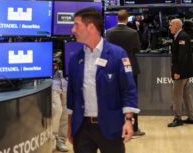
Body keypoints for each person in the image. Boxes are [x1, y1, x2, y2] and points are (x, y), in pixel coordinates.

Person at [67, 8, 139, 153]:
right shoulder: (75, 58)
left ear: (91, 27)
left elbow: (128, 89)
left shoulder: (118, 54)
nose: (73, 29)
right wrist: (70, 127)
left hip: (111, 126)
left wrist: (128, 120)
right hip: (82, 129)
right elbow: (71, 96)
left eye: (76, 25)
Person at [106, 9, 145, 137]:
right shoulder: (133, 32)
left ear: (117, 18)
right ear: (127, 19)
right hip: (130, 68)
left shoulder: (109, 32)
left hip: (114, 69)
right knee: (131, 97)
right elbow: (138, 49)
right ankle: (134, 128)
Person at [167, 18, 193, 127]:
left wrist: (178, 71)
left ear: (177, 26)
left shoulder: (182, 36)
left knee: (177, 96)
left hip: (181, 72)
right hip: (185, 72)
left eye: (171, 25)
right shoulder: (180, 36)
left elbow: (182, 56)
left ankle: (177, 118)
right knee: (186, 95)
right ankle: (192, 117)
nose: (169, 27)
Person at [52, 56, 69, 152]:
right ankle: (53, 139)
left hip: (66, 83)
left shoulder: (69, 44)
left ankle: (61, 141)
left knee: (65, 114)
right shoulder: (47, 45)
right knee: (57, 111)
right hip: (53, 83)